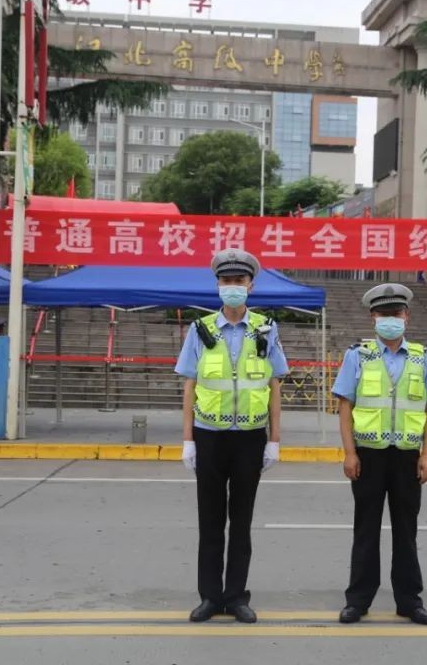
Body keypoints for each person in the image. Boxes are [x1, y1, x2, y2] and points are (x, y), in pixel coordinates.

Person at [175, 248, 289, 624]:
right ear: (218, 285)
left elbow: (274, 385)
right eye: (227, 281)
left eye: (239, 280)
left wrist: (274, 439)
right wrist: (188, 440)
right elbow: (190, 386)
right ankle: (210, 597)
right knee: (210, 522)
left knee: (241, 522)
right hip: (209, 436)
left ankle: (237, 596)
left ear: (250, 285)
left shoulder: (266, 329)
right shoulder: (201, 329)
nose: (233, 286)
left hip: (250, 437)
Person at [331, 283, 427, 626]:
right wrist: (349, 453)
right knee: (366, 529)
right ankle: (358, 600)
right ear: (373, 318)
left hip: (407, 457)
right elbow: (345, 405)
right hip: (368, 455)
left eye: (395, 313)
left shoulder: (423, 357)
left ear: (406, 316)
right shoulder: (357, 355)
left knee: (405, 531)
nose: (390, 319)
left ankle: (409, 601)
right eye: (383, 314)